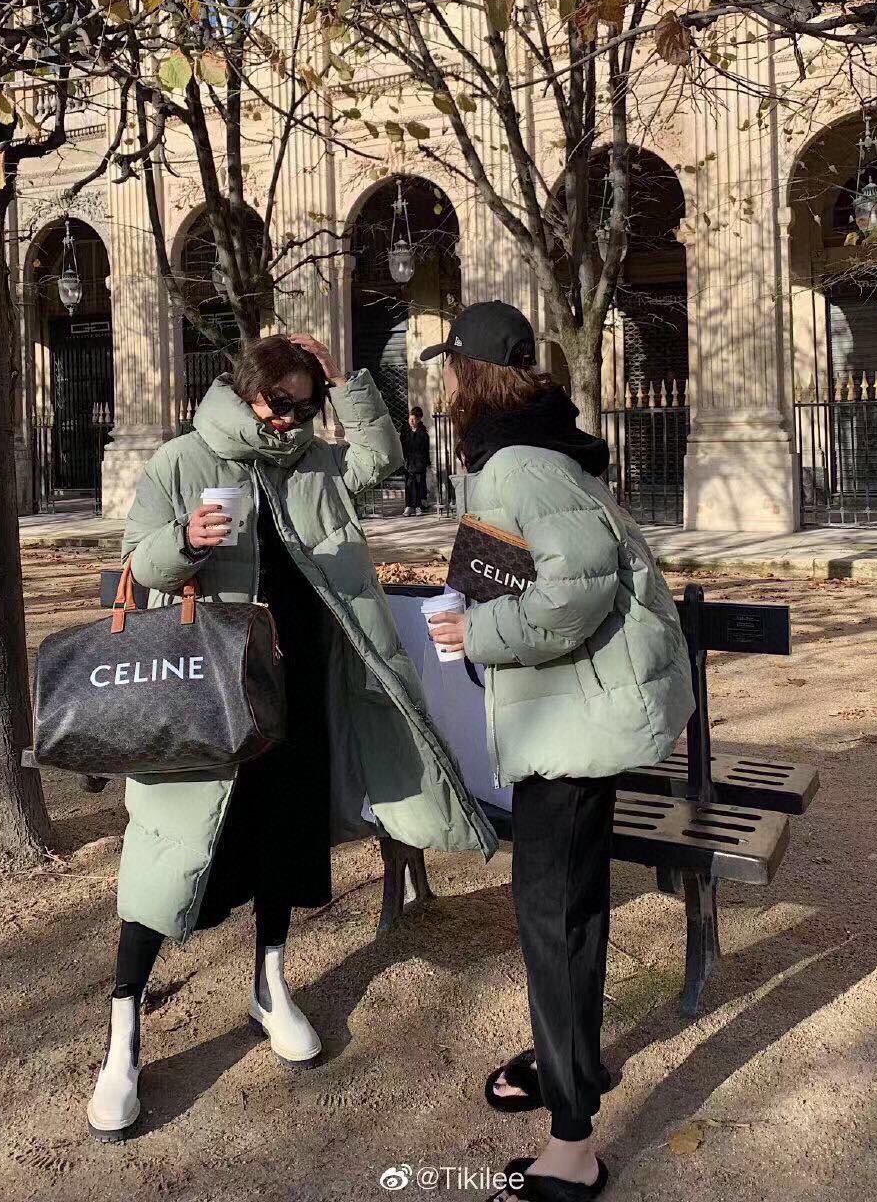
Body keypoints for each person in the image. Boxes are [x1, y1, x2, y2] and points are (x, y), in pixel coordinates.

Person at [87, 333, 496, 1142]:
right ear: (243, 390)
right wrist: (187, 542)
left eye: (307, 407)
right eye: (281, 404)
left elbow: (381, 458)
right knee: (169, 862)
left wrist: (342, 381)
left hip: (299, 691)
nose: (292, 420)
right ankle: (123, 1033)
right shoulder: (182, 460)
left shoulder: (315, 465)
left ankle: (270, 983)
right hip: (207, 702)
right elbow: (138, 565)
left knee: (283, 841)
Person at [422, 302, 695, 1202]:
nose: (441, 382)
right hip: (569, 719)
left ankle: (574, 1146)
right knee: (564, 908)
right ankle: (562, 1060)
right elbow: (538, 572)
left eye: (447, 367)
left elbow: (573, 596)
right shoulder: (532, 450)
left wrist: (476, 633)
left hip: (574, 731)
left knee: (556, 917)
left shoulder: (519, 464)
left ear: (468, 373)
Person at [401, 405, 431, 517]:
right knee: (409, 484)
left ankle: (418, 506)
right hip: (409, 462)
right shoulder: (406, 432)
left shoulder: (423, 433)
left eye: (414, 419)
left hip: (419, 463)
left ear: (418, 420)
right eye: (410, 419)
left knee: (418, 484)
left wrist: (427, 462)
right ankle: (409, 506)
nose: (411, 421)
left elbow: (425, 449)